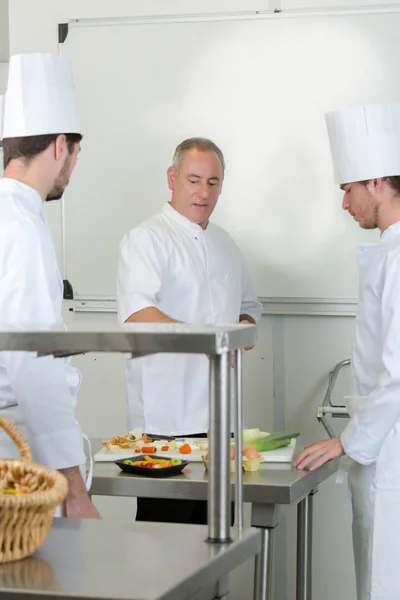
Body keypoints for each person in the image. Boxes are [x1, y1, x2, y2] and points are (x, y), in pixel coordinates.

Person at [117, 137, 262, 523]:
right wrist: (207, 340)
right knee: (163, 544)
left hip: (220, 419)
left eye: (213, 182)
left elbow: (248, 309)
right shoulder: (146, 239)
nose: (203, 192)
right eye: (194, 180)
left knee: (217, 537)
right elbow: (138, 313)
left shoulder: (226, 245)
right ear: (172, 177)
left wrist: (243, 328)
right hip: (165, 423)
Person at [294, 103, 400, 600]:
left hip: (391, 451)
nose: (345, 204)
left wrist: (345, 442)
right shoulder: (387, 253)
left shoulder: (399, 259)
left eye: (348, 190)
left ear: (376, 182)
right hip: (380, 447)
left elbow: (398, 374)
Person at [0, 53, 100, 519]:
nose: (73, 168)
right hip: (21, 471)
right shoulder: (22, 226)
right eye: (76, 154)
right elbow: (31, 365)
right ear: (60, 145)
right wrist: (74, 490)